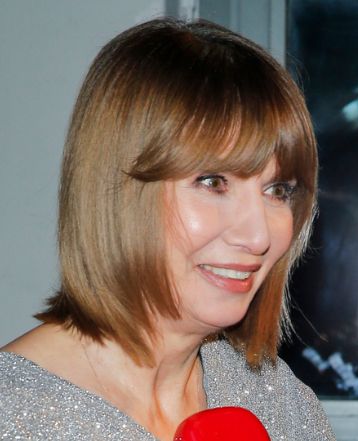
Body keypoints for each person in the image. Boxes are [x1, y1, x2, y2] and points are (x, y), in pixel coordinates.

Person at [0, 19, 335, 440]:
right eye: (213, 182)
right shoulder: (15, 414)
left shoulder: (277, 399)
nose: (258, 237)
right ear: (118, 190)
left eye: (277, 190)